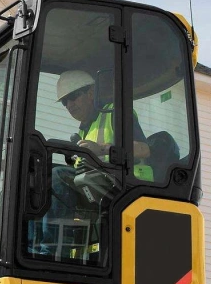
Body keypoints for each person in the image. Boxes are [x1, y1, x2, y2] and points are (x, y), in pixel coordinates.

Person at [37, 70, 153, 259]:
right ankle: (35, 249)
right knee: (41, 176)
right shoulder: (86, 129)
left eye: (73, 97)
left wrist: (102, 148)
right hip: (98, 183)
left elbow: (143, 149)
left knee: (57, 177)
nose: (69, 105)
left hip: (125, 186)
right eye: (65, 102)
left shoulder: (114, 113)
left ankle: (53, 253)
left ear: (90, 93)